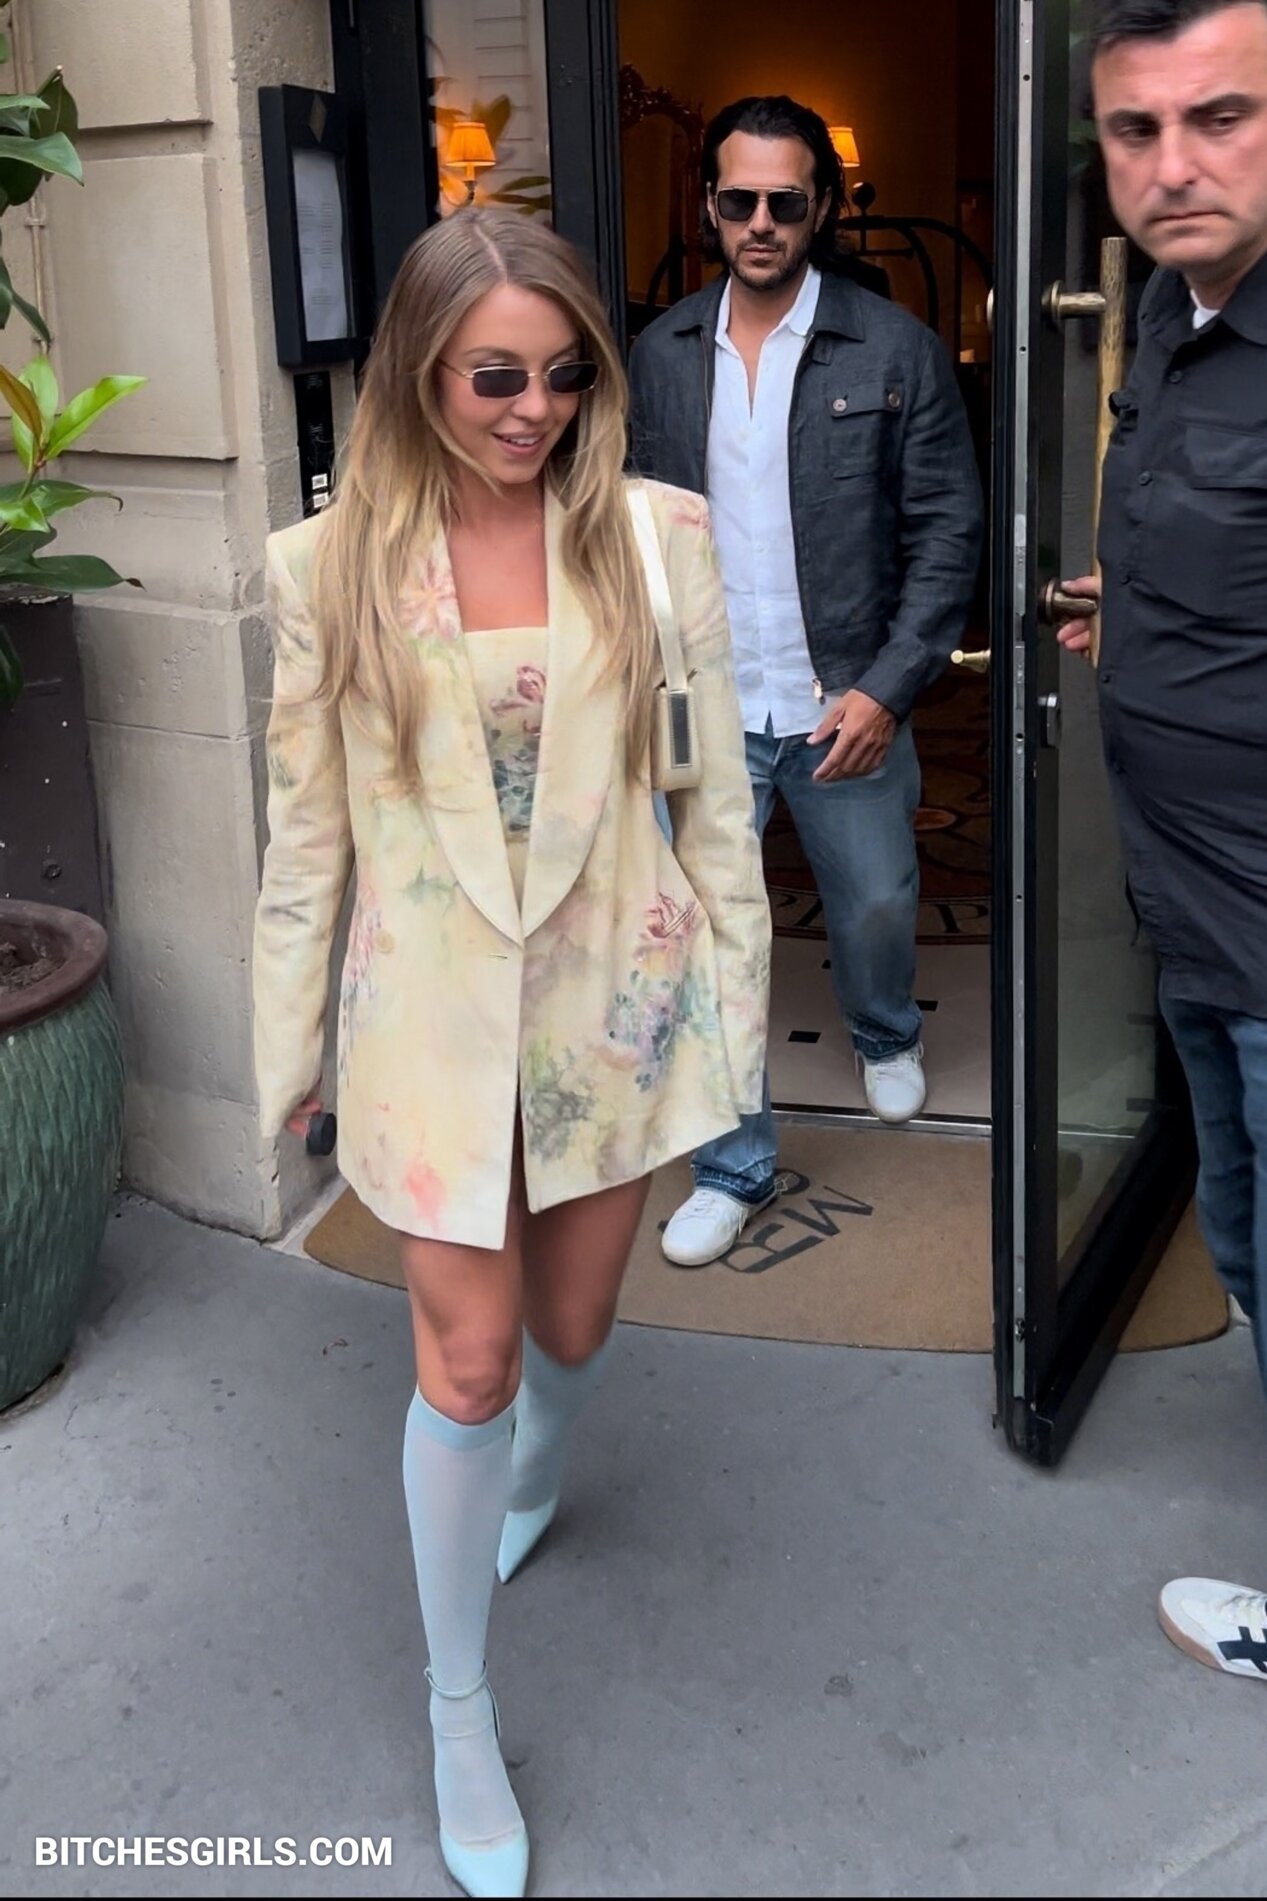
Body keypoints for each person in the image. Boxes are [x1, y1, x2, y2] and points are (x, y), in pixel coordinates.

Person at [252, 209, 770, 1895]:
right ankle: (458, 1702)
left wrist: (733, 1016)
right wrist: (288, 1046)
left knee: (571, 1328)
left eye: (562, 377)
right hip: (426, 1018)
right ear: (418, 369)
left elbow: (712, 799)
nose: (533, 410)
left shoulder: (653, 537)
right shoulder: (326, 567)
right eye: (494, 377)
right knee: (465, 1363)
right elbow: (308, 835)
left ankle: (539, 1466)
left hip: (612, 1003)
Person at [628, 94, 983, 1269]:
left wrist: (887, 686)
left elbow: (947, 530)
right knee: (710, 939)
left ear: (822, 207)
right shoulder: (661, 352)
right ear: (709, 205)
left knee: (876, 899)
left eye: (785, 200)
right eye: (739, 199)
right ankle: (732, 1164)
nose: (761, 221)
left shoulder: (893, 348)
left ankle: (883, 1028)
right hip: (705, 704)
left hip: (842, 696)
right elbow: (626, 522)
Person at [1059, 0, 1267, 1680]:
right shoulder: (1169, 309)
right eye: (1134, 129)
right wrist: (1131, 616)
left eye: (1220, 116)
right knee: (1245, 1243)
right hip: (1195, 918)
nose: (1171, 164)